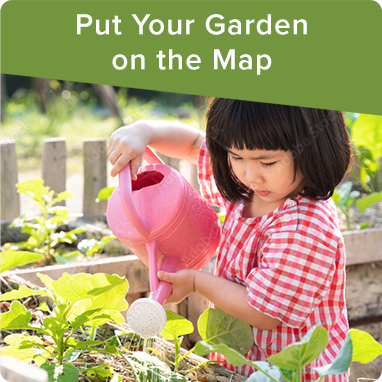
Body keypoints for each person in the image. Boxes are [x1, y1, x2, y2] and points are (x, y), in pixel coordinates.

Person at [108, 98, 352, 381]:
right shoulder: (252, 188)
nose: (249, 175)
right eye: (236, 157)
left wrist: (197, 282)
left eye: (268, 161)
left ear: (314, 150)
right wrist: (144, 131)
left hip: (292, 374)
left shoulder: (305, 225)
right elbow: (192, 146)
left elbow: (264, 313)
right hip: (244, 367)